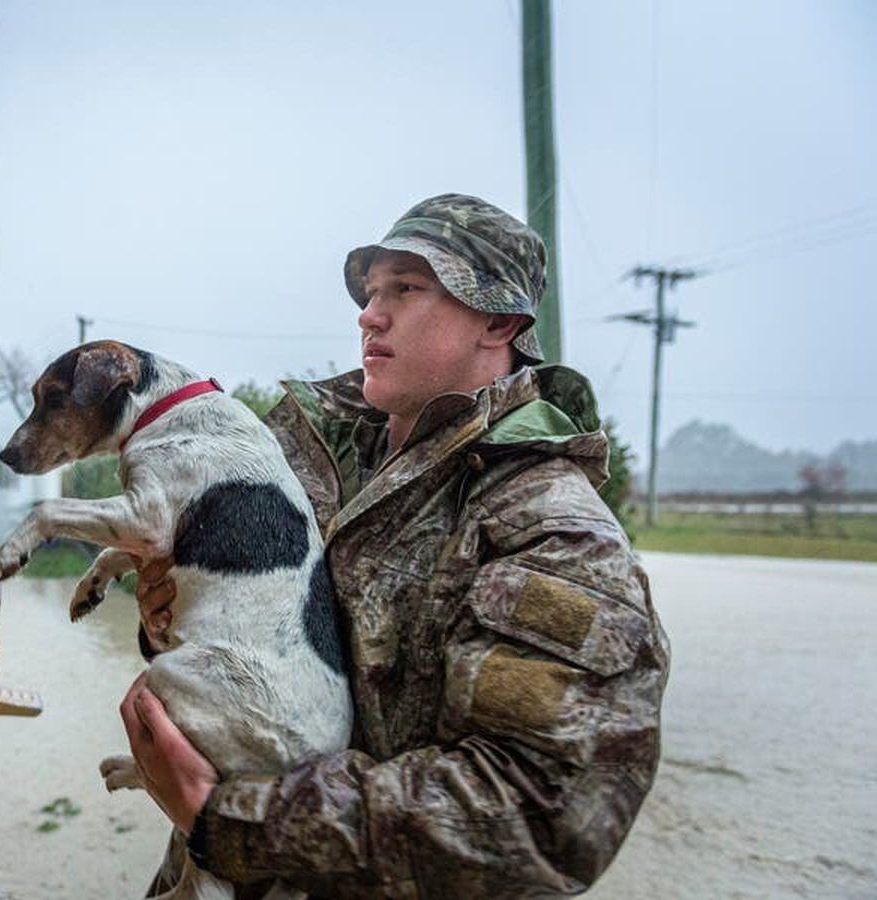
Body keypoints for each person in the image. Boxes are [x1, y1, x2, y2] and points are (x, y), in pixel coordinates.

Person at [120, 194, 670, 898]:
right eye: (372, 291)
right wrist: (165, 616)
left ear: (499, 320)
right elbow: (228, 632)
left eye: (406, 290)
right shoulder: (294, 459)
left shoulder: (551, 529)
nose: (369, 314)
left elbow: (534, 811)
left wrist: (229, 821)